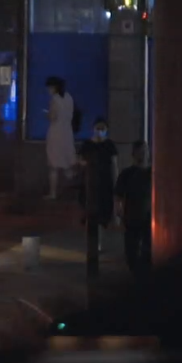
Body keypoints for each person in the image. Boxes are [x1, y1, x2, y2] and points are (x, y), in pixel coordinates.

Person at [79, 118, 119, 278]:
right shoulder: (87, 144)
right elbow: (80, 161)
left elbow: (114, 164)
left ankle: (99, 239)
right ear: (93, 128)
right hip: (90, 183)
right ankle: (94, 243)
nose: (100, 130)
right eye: (98, 128)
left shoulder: (110, 145)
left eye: (103, 128)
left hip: (105, 184)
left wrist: (116, 182)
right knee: (90, 212)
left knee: (103, 212)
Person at [118, 140, 153, 279]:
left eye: (145, 151)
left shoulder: (153, 173)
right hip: (132, 216)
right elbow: (118, 195)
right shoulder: (127, 173)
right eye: (140, 151)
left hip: (149, 218)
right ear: (133, 154)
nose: (143, 154)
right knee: (131, 249)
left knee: (148, 248)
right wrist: (118, 212)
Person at [43, 76, 78, 199]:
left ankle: (53, 193)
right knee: (67, 162)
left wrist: (46, 114)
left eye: (49, 87)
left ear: (54, 87)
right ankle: (76, 188)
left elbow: (53, 117)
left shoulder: (55, 100)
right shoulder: (69, 98)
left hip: (56, 133)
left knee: (53, 165)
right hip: (67, 132)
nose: (48, 90)